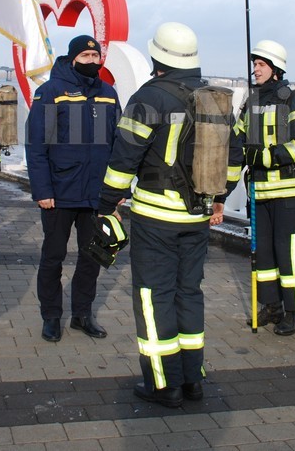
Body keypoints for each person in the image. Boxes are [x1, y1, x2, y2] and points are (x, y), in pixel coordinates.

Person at [97, 22, 239, 408]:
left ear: (157, 56)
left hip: (156, 218)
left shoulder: (149, 98)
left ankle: (164, 384)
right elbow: (234, 158)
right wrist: (218, 197)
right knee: (188, 294)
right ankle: (192, 379)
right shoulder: (214, 98)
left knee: (152, 296)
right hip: (196, 218)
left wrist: (107, 202)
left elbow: (124, 157)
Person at [27, 35, 121, 342]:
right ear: (72, 58)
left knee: (91, 257)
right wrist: (42, 191)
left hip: (95, 194)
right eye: (86, 56)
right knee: (53, 256)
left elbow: (118, 144)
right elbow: (38, 145)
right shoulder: (51, 92)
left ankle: (82, 314)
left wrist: (117, 192)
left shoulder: (108, 93)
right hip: (60, 192)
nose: (93, 62)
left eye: (96, 57)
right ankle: (51, 316)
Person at [236, 40, 295, 335]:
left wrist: (262, 157)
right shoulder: (252, 103)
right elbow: (237, 139)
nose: (255, 70)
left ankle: (294, 312)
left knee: (288, 252)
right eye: (254, 64)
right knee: (264, 254)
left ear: (276, 70)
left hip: (289, 193)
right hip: (259, 192)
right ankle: (271, 306)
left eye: (261, 65)